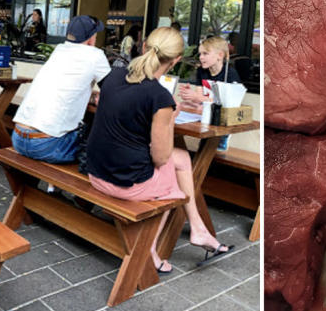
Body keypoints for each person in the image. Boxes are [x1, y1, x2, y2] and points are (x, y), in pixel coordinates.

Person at [85, 27, 231, 273]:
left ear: (144, 48)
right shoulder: (159, 96)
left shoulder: (114, 76)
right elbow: (160, 157)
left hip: (95, 172)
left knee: (182, 158)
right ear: (175, 61)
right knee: (173, 183)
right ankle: (149, 250)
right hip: (124, 184)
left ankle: (198, 228)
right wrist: (171, 117)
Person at [12, 15, 111, 163]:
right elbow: (112, 91)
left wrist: (90, 96)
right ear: (91, 38)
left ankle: (45, 186)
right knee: (102, 147)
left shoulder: (59, 50)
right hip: (48, 145)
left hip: (18, 138)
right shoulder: (95, 55)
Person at [178, 36, 240, 113]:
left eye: (205, 53)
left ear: (220, 55)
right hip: (206, 111)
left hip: (221, 115)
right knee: (183, 104)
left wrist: (197, 97)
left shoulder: (230, 74)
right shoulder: (201, 70)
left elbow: (228, 104)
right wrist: (189, 94)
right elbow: (199, 100)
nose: (201, 57)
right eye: (200, 54)